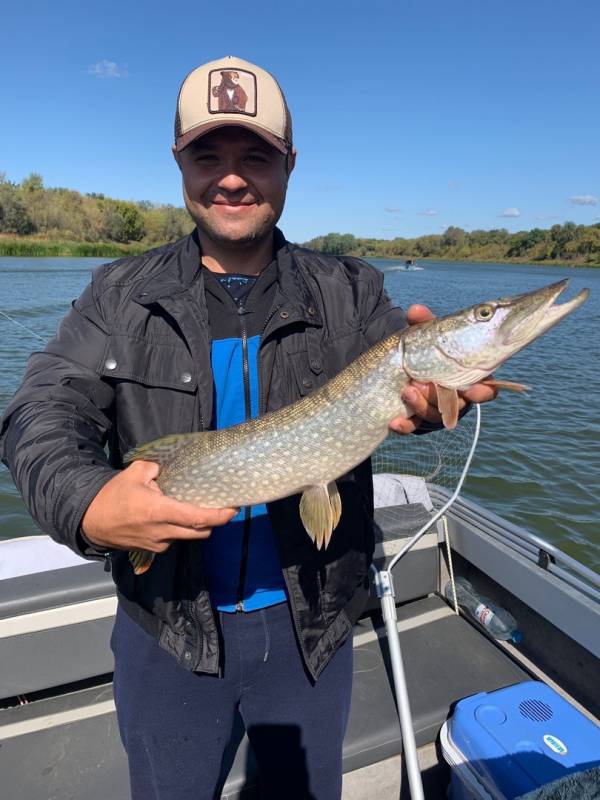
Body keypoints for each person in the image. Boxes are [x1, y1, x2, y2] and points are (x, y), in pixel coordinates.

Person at [0, 56, 496, 800]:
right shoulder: (118, 294)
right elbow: (38, 412)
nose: (231, 178)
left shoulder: (352, 292)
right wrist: (90, 506)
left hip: (310, 636)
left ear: (289, 165)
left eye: (255, 155)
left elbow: (409, 378)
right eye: (209, 154)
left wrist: (435, 400)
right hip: (167, 632)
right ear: (179, 164)